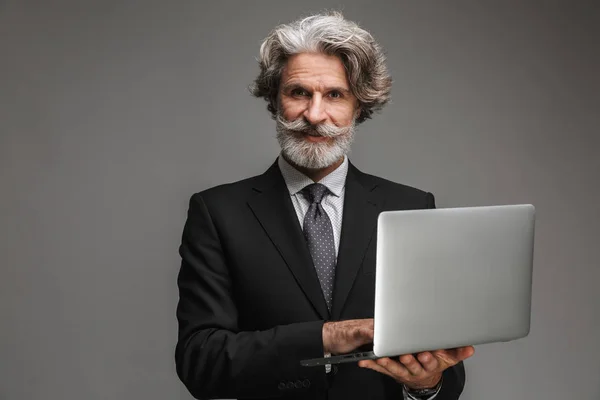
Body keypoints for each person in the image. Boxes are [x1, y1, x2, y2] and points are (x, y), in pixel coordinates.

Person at [175, 11, 474, 400]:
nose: (315, 116)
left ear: (359, 106)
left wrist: (425, 383)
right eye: (299, 92)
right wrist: (327, 338)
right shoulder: (217, 213)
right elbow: (201, 362)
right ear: (274, 99)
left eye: (335, 94)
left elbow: (447, 373)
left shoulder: (412, 207)